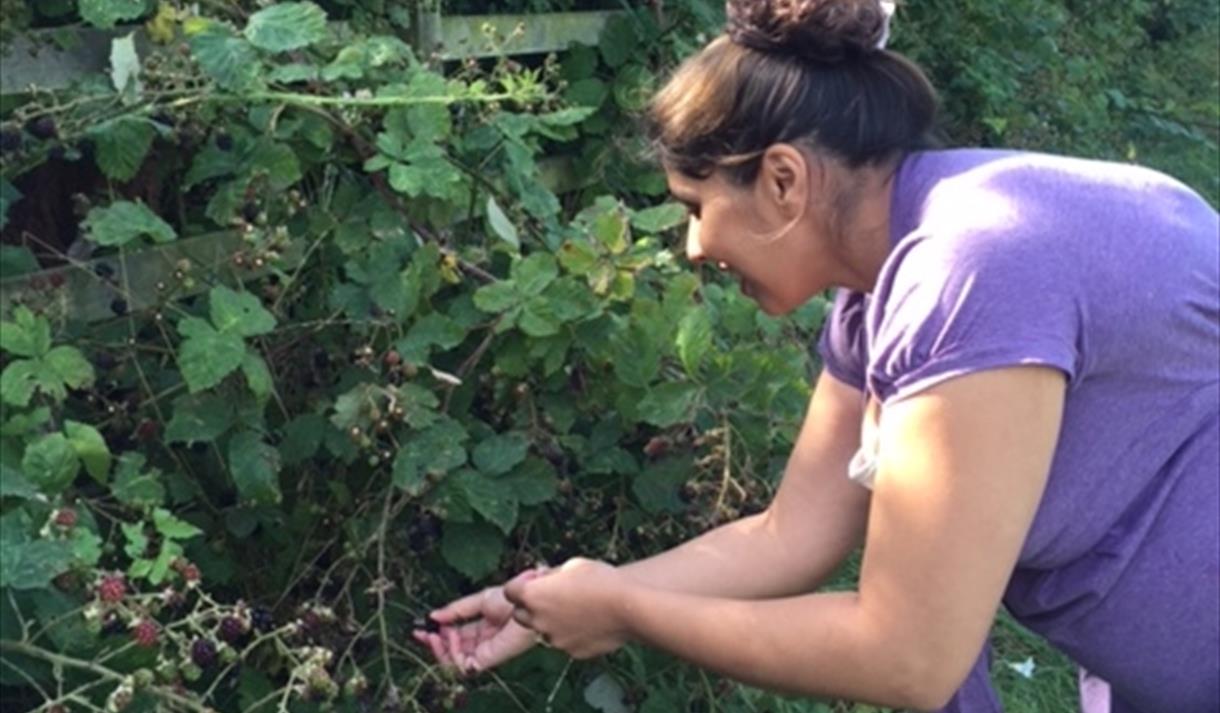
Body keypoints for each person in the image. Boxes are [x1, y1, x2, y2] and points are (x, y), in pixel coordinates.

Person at [414, 1, 1220, 710]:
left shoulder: (976, 269)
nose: (693, 246)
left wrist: (626, 612)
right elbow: (791, 534)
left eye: (696, 206)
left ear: (783, 181)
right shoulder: (886, 289)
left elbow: (908, 653)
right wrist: (565, 598)